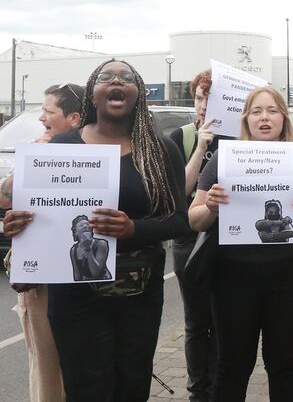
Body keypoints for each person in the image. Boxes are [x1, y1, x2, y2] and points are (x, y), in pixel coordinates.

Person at [19, 60, 188, 402]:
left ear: (138, 93)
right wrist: (19, 226)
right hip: (75, 296)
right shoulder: (61, 148)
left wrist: (133, 229)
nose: (116, 81)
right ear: (92, 95)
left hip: (137, 293)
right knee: (85, 386)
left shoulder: (160, 149)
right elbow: (39, 217)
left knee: (131, 383)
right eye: (106, 77)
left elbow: (179, 220)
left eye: (126, 78)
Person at [189, 86, 293, 402]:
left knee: (284, 365)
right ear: (246, 118)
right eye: (256, 111)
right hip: (232, 280)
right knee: (233, 365)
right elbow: (194, 219)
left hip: (288, 281)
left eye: (272, 110)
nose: (264, 117)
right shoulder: (225, 159)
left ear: (283, 117)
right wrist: (210, 205)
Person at [2, 82, 84, 402]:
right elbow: (4, 197)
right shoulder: (36, 153)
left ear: (74, 118)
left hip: (79, 283)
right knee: (47, 366)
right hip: (41, 283)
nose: (41, 118)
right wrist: (34, 159)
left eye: (48, 111)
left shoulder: (96, 157)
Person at [168, 69, 220, 402]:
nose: (203, 105)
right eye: (200, 97)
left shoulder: (240, 138)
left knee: (226, 320)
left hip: (227, 240)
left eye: (211, 98)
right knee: (196, 322)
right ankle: (198, 391)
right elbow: (179, 193)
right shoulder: (181, 137)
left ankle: (222, 386)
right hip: (189, 241)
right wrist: (201, 147)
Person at [69, 214, 112, 281]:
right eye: (81, 225)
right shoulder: (74, 250)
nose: (85, 226)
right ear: (76, 232)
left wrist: (88, 249)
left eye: (87, 224)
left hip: (103, 281)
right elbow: (76, 273)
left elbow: (95, 273)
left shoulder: (101, 244)